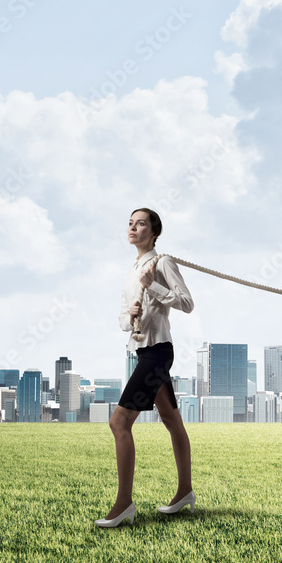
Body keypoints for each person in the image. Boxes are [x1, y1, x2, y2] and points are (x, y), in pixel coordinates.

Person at [95, 208, 197, 528]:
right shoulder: (131, 271)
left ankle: (124, 503)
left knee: (118, 422)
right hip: (143, 352)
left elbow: (187, 303)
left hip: (158, 353)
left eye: (141, 224)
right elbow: (124, 320)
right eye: (130, 223)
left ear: (154, 232)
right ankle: (185, 492)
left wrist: (153, 287)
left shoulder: (162, 262)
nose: (133, 228)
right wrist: (132, 313)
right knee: (171, 419)